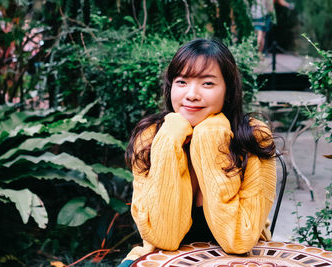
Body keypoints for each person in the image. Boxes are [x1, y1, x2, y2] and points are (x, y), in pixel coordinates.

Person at [119, 38, 277, 266]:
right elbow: (164, 237)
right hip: (160, 258)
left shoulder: (254, 138)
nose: (191, 94)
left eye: (207, 83)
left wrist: (209, 139)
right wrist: (169, 142)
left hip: (240, 260)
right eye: (181, 82)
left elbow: (239, 241)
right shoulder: (150, 137)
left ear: (229, 91)